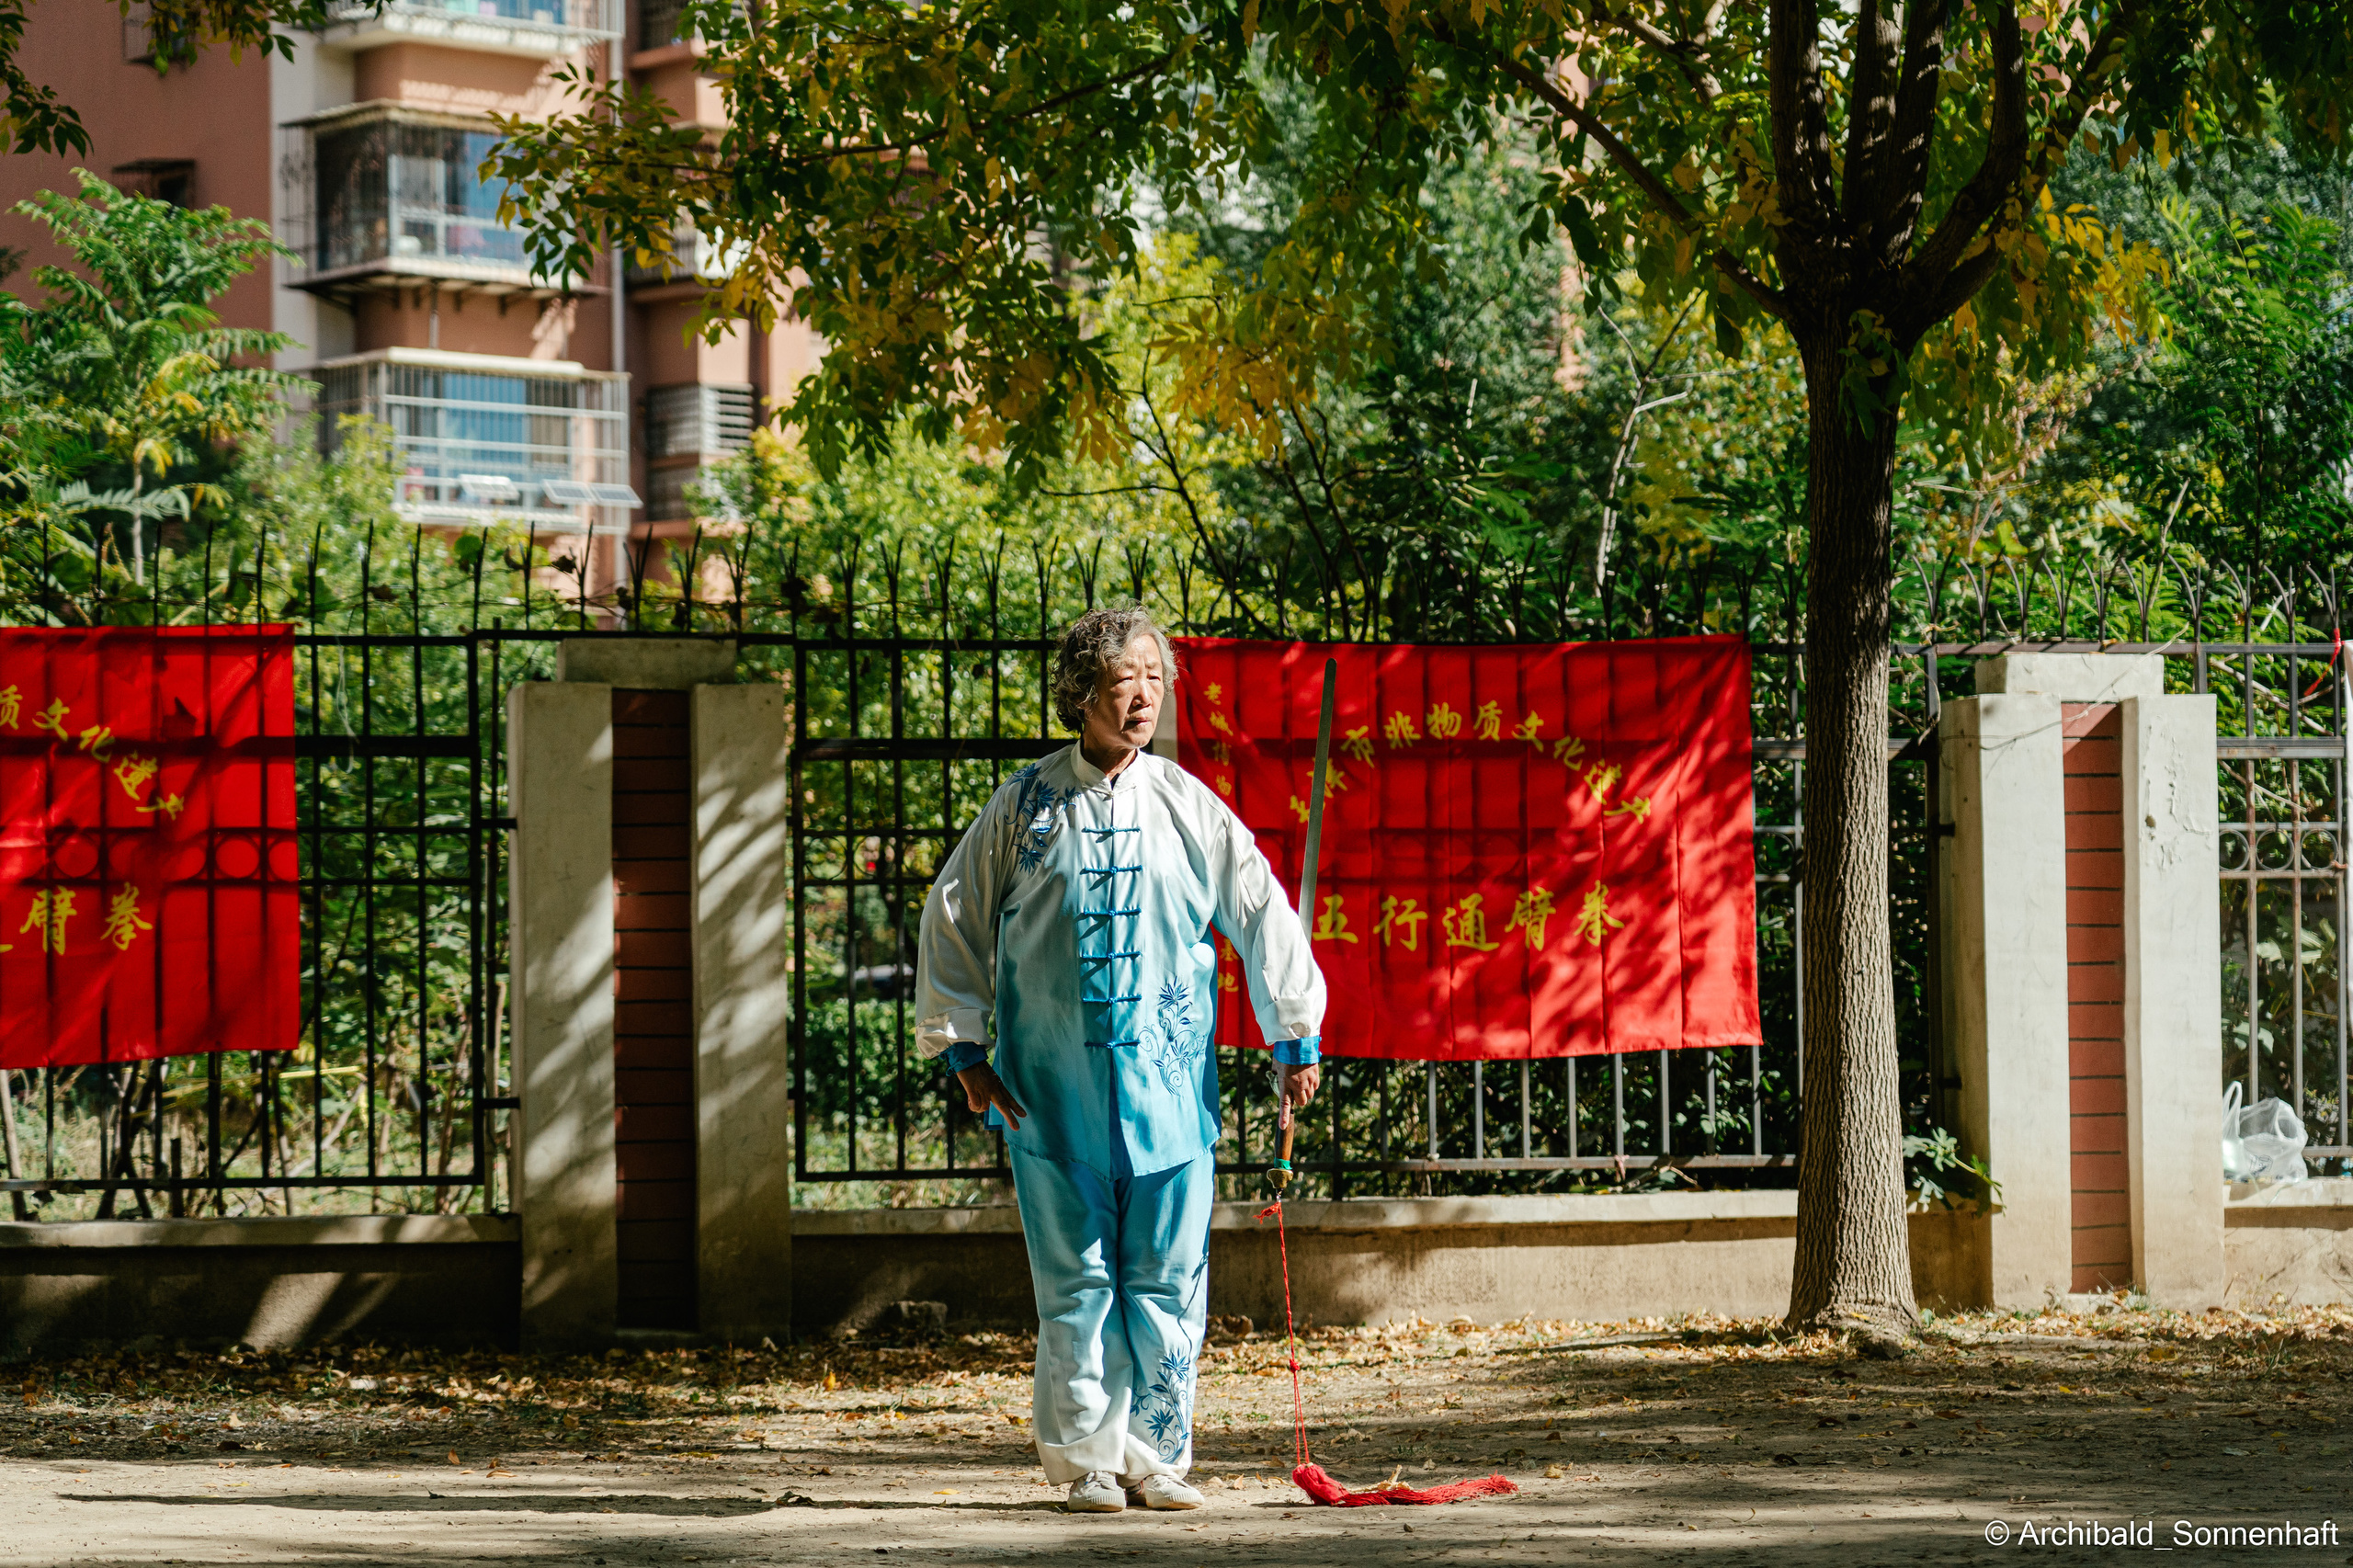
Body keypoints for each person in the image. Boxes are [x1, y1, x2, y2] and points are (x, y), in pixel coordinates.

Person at [914, 605, 1325, 1514]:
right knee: (1077, 1283)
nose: (1140, 692)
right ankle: (1086, 1460)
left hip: (1172, 1097)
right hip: (1047, 1098)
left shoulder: (1185, 803)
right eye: (1121, 675)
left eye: (1152, 673)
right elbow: (952, 917)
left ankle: (1157, 1452)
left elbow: (1258, 909)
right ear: (1081, 690)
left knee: (1169, 1281)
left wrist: (1292, 1029)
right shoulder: (1022, 805)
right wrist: (964, 1051)